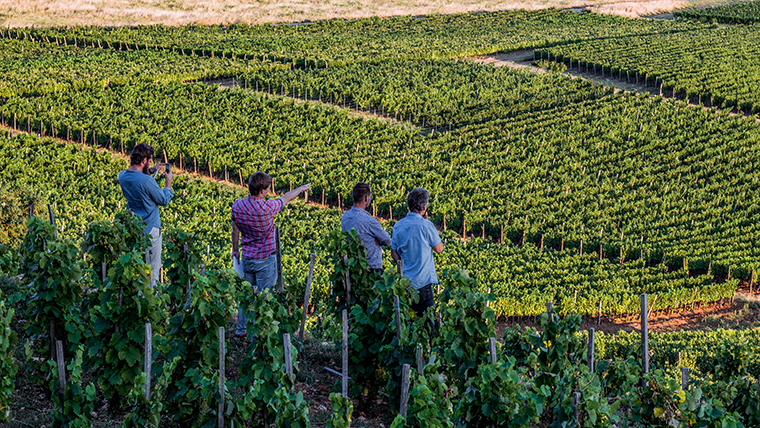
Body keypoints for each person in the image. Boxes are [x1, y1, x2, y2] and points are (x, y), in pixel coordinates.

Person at [231, 171, 310, 337]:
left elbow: (234, 227)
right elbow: (287, 198)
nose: (268, 191)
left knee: (246, 296)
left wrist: (236, 249)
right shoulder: (267, 208)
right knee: (264, 298)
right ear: (262, 191)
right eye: (267, 189)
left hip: (247, 256)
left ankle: (241, 329)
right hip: (265, 259)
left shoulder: (237, 205)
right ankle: (257, 335)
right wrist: (301, 189)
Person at [118, 143, 173, 289]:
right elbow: (163, 200)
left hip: (134, 228)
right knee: (151, 271)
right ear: (143, 161)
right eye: (149, 161)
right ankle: (149, 304)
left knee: (138, 269)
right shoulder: (147, 181)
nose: (151, 163)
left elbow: (137, 177)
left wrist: (151, 170)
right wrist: (168, 183)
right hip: (151, 228)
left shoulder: (122, 176)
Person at [391, 187, 443, 318]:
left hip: (405, 285)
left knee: (408, 325)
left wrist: (402, 264)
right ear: (424, 208)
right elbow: (439, 249)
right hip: (423, 284)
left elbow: (393, 253)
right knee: (427, 326)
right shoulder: (427, 225)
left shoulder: (398, 226)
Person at [341, 183, 391, 275]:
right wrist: (377, 240)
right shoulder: (369, 221)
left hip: (353, 268)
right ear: (366, 198)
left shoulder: (345, 217)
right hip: (371, 270)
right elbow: (387, 241)